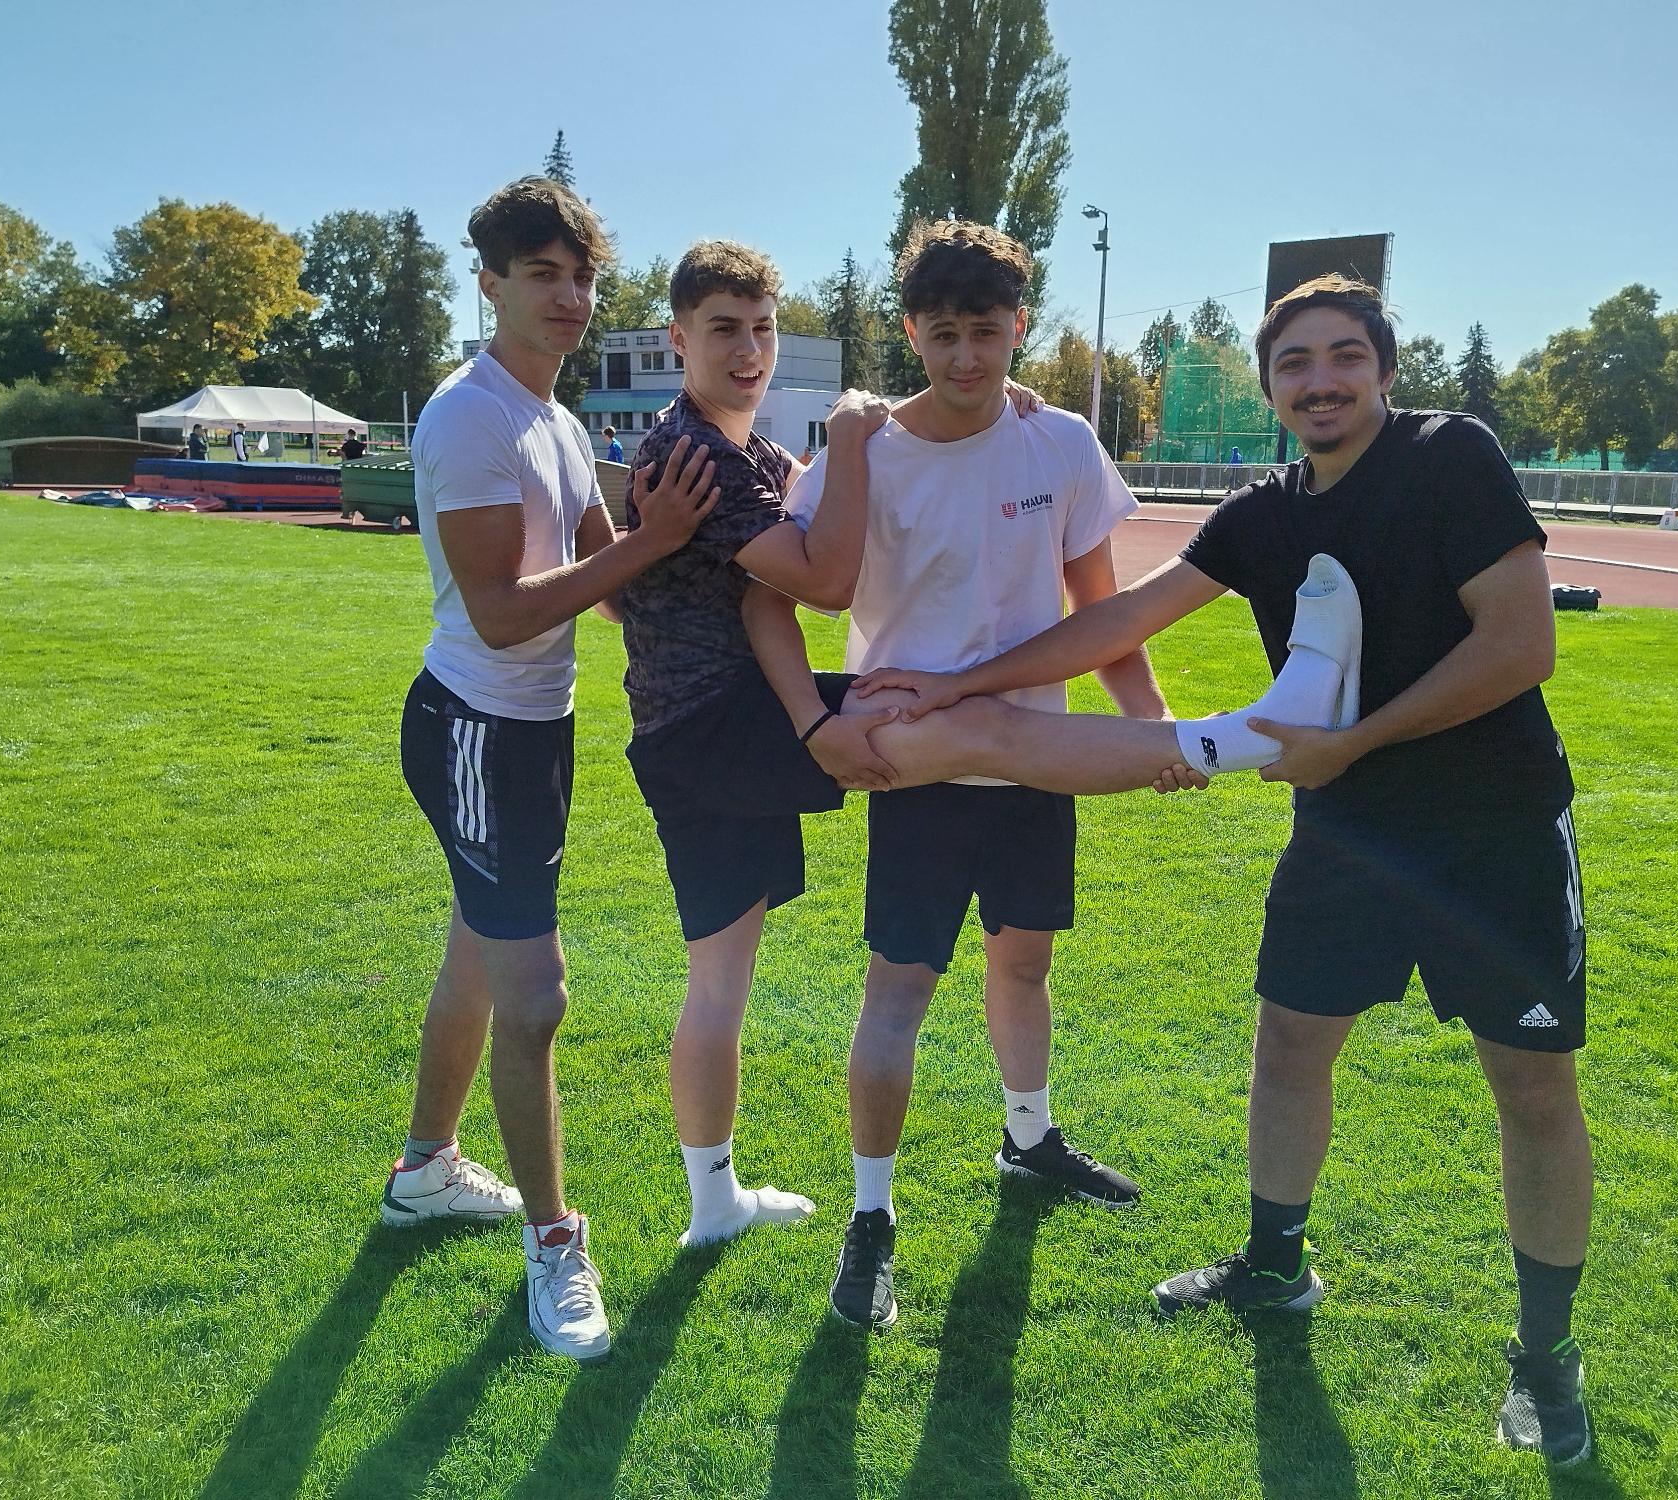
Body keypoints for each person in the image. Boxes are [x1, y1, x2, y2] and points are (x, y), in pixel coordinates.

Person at [856, 275, 1595, 1464]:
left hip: (1490, 830)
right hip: (1344, 834)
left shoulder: (1448, 457)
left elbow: (1518, 645)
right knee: (1289, 1046)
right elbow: (1120, 620)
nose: (1319, 380)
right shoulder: (1262, 514)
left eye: (1342, 356)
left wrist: (1355, 739)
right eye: (1293, 363)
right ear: (1267, 387)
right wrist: (959, 686)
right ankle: (1272, 1267)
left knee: (1530, 1091)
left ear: (1382, 369)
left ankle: (1546, 1358)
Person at [753, 219, 1164, 1330]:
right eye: (943, 335)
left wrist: (1151, 729)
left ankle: (1028, 1139)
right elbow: (771, 591)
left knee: (1023, 966)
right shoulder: (863, 450)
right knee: (898, 991)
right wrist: (811, 722)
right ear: (910, 333)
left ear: (1019, 326)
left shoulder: (1060, 441)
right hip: (915, 767)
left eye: (986, 333)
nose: (966, 358)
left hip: (1037, 758)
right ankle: (870, 1218)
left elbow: (1103, 612)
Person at [386, 175, 720, 1361]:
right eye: (542, 275)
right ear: (490, 283)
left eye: (580, 276)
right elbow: (503, 611)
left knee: (477, 958)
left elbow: (612, 582)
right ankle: (552, 1243)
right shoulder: (468, 417)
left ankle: (424, 1170)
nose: (569, 297)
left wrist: (709, 534)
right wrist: (653, 540)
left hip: (534, 732)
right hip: (477, 728)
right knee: (536, 997)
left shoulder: (561, 424)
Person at [616, 239, 891, 1251]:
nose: (748, 351)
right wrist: (851, 432)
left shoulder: (751, 458)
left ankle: (714, 1203)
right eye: (724, 330)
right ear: (677, 339)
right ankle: (1164, 753)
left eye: (763, 330)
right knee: (923, 721)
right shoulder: (696, 455)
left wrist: (989, 406)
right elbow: (825, 581)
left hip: (711, 724)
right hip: (712, 732)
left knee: (722, 978)